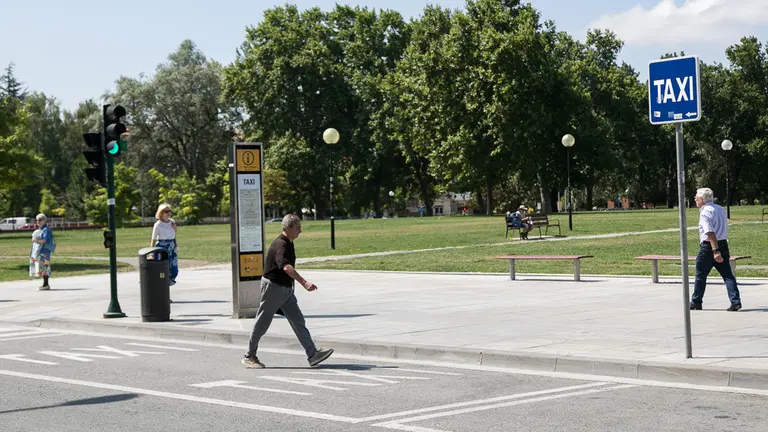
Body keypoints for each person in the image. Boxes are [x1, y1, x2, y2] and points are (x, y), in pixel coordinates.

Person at [242, 214, 333, 368]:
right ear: (289, 228)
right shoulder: (281, 245)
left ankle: (312, 354)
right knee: (263, 322)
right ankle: (249, 356)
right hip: (273, 288)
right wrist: (304, 282)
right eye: (298, 228)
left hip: (286, 290)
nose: (301, 231)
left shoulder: (288, 243)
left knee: (298, 320)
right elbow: (287, 267)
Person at [690, 188, 741, 311]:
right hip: (723, 244)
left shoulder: (705, 212)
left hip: (709, 247)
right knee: (727, 275)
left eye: (696, 198)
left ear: (701, 200)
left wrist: (715, 251)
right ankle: (735, 301)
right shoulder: (720, 209)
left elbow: (710, 232)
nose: (695, 200)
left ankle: (696, 301)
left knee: (701, 275)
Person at [151, 203, 179, 286]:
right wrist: (151, 251)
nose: (168, 213)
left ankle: (171, 279)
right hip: (162, 246)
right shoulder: (157, 225)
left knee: (173, 266)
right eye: (166, 211)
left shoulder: (172, 222)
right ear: (161, 213)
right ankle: (161, 281)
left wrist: (176, 245)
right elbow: (153, 238)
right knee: (163, 267)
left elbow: (174, 234)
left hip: (171, 245)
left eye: (169, 211)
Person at [29, 213, 55, 290]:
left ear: (44, 220)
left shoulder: (46, 229)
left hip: (45, 252)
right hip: (40, 252)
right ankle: (45, 284)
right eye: (36, 220)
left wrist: (35, 240)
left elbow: (44, 241)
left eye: (40, 220)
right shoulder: (40, 229)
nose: (38, 221)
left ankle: (46, 285)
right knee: (42, 267)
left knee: (45, 267)